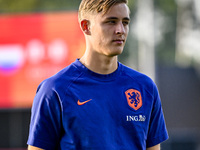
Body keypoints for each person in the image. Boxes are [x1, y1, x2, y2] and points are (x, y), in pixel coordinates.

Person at [27, 0, 168, 149]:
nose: (120, 30)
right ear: (86, 27)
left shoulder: (145, 87)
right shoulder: (54, 90)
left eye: (125, 22)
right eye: (111, 22)